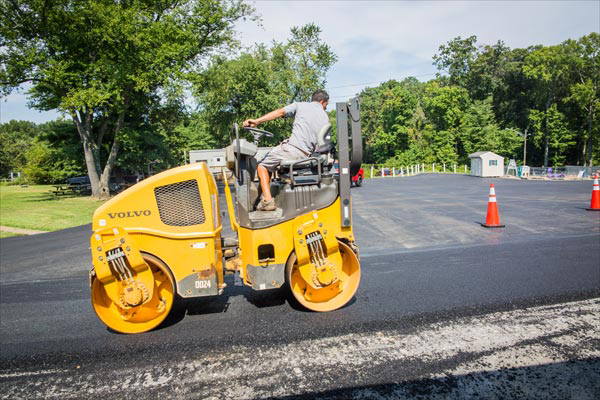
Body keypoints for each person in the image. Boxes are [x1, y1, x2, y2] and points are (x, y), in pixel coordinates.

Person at [243, 90, 330, 211]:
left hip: (292, 150)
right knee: (269, 163)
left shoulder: (300, 105)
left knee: (262, 166)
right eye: (326, 105)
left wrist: (257, 121)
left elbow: (280, 112)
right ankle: (259, 199)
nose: (325, 108)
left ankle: (267, 201)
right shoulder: (325, 117)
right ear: (322, 101)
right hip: (307, 155)